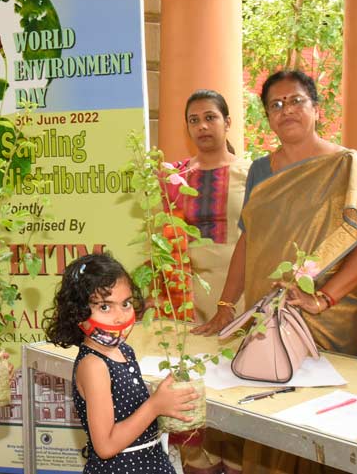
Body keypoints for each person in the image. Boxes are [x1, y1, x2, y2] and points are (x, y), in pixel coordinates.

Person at [193, 70, 357, 473]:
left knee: (325, 426)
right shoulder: (261, 172)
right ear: (267, 117)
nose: (286, 111)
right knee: (271, 421)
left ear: (316, 109)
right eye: (275, 105)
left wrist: (324, 298)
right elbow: (248, 240)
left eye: (296, 101)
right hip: (271, 318)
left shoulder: (348, 167)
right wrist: (227, 305)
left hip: (332, 322)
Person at [160, 90, 250, 474]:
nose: (202, 127)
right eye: (194, 120)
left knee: (240, 392)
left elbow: (262, 238)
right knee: (194, 399)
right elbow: (163, 243)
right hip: (190, 302)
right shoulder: (176, 178)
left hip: (242, 301)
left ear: (227, 123)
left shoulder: (253, 174)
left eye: (210, 117)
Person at [44, 253, 198, 474]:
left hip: (150, 462)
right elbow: (105, 446)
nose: (119, 317)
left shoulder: (123, 350)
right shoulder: (93, 366)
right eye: (105, 307)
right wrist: (155, 405)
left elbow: (129, 412)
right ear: (78, 312)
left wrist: (165, 401)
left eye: (125, 304)